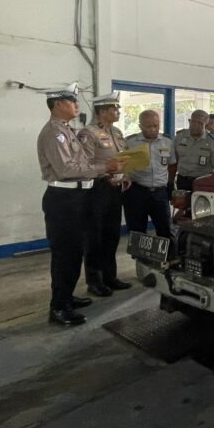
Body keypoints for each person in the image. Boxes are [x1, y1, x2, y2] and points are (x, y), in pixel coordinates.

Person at [37, 83, 123, 326]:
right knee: (65, 254)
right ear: (58, 105)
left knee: (75, 252)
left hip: (77, 197)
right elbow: (66, 169)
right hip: (64, 200)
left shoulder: (66, 130)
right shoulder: (55, 133)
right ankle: (58, 308)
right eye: (71, 101)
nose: (76, 105)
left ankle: (66, 297)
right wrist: (105, 167)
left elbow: (82, 164)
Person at [79, 91, 130, 297]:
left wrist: (125, 175)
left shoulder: (117, 132)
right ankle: (94, 280)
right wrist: (105, 172)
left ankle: (110, 276)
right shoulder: (88, 133)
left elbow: (122, 159)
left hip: (115, 189)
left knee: (111, 235)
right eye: (114, 108)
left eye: (117, 108)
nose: (118, 111)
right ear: (102, 111)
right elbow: (85, 164)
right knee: (95, 237)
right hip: (96, 189)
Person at [123, 110, 176, 239]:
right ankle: (140, 259)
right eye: (149, 126)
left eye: (156, 125)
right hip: (137, 192)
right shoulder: (130, 143)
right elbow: (122, 165)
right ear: (140, 126)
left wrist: (170, 184)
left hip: (160, 193)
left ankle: (168, 258)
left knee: (165, 230)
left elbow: (172, 164)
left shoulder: (167, 142)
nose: (153, 129)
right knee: (137, 231)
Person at [174, 109, 214, 191]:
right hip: (182, 181)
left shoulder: (213, 142)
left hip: (203, 181)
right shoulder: (180, 137)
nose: (195, 126)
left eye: (200, 123)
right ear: (189, 121)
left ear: (206, 125)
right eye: (193, 122)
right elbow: (173, 161)